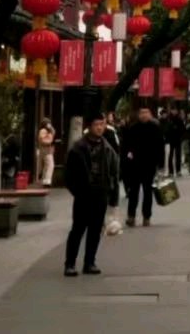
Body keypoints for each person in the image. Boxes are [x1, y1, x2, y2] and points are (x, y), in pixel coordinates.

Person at [64, 115, 121, 276]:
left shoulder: (107, 148)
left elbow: (114, 173)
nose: (100, 128)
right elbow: (69, 175)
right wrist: (77, 191)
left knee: (95, 230)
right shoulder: (78, 148)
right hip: (83, 194)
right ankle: (70, 263)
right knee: (78, 229)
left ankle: (90, 262)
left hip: (100, 193)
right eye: (96, 124)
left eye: (102, 124)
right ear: (89, 126)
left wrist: (113, 196)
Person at [120, 104, 164, 227]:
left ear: (150, 114)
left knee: (147, 192)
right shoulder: (133, 128)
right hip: (135, 165)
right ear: (138, 115)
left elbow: (160, 147)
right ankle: (131, 216)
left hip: (149, 165)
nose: (144, 115)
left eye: (146, 112)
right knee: (133, 192)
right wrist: (127, 158)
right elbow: (126, 146)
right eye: (142, 113)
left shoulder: (155, 128)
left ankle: (146, 216)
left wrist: (161, 164)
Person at [37, 119, 56, 187]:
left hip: (46, 150)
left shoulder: (47, 131)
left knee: (46, 166)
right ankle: (47, 181)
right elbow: (43, 140)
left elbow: (53, 132)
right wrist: (49, 140)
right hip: (46, 150)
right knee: (50, 165)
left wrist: (51, 129)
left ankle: (45, 181)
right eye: (48, 123)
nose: (49, 124)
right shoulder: (43, 130)